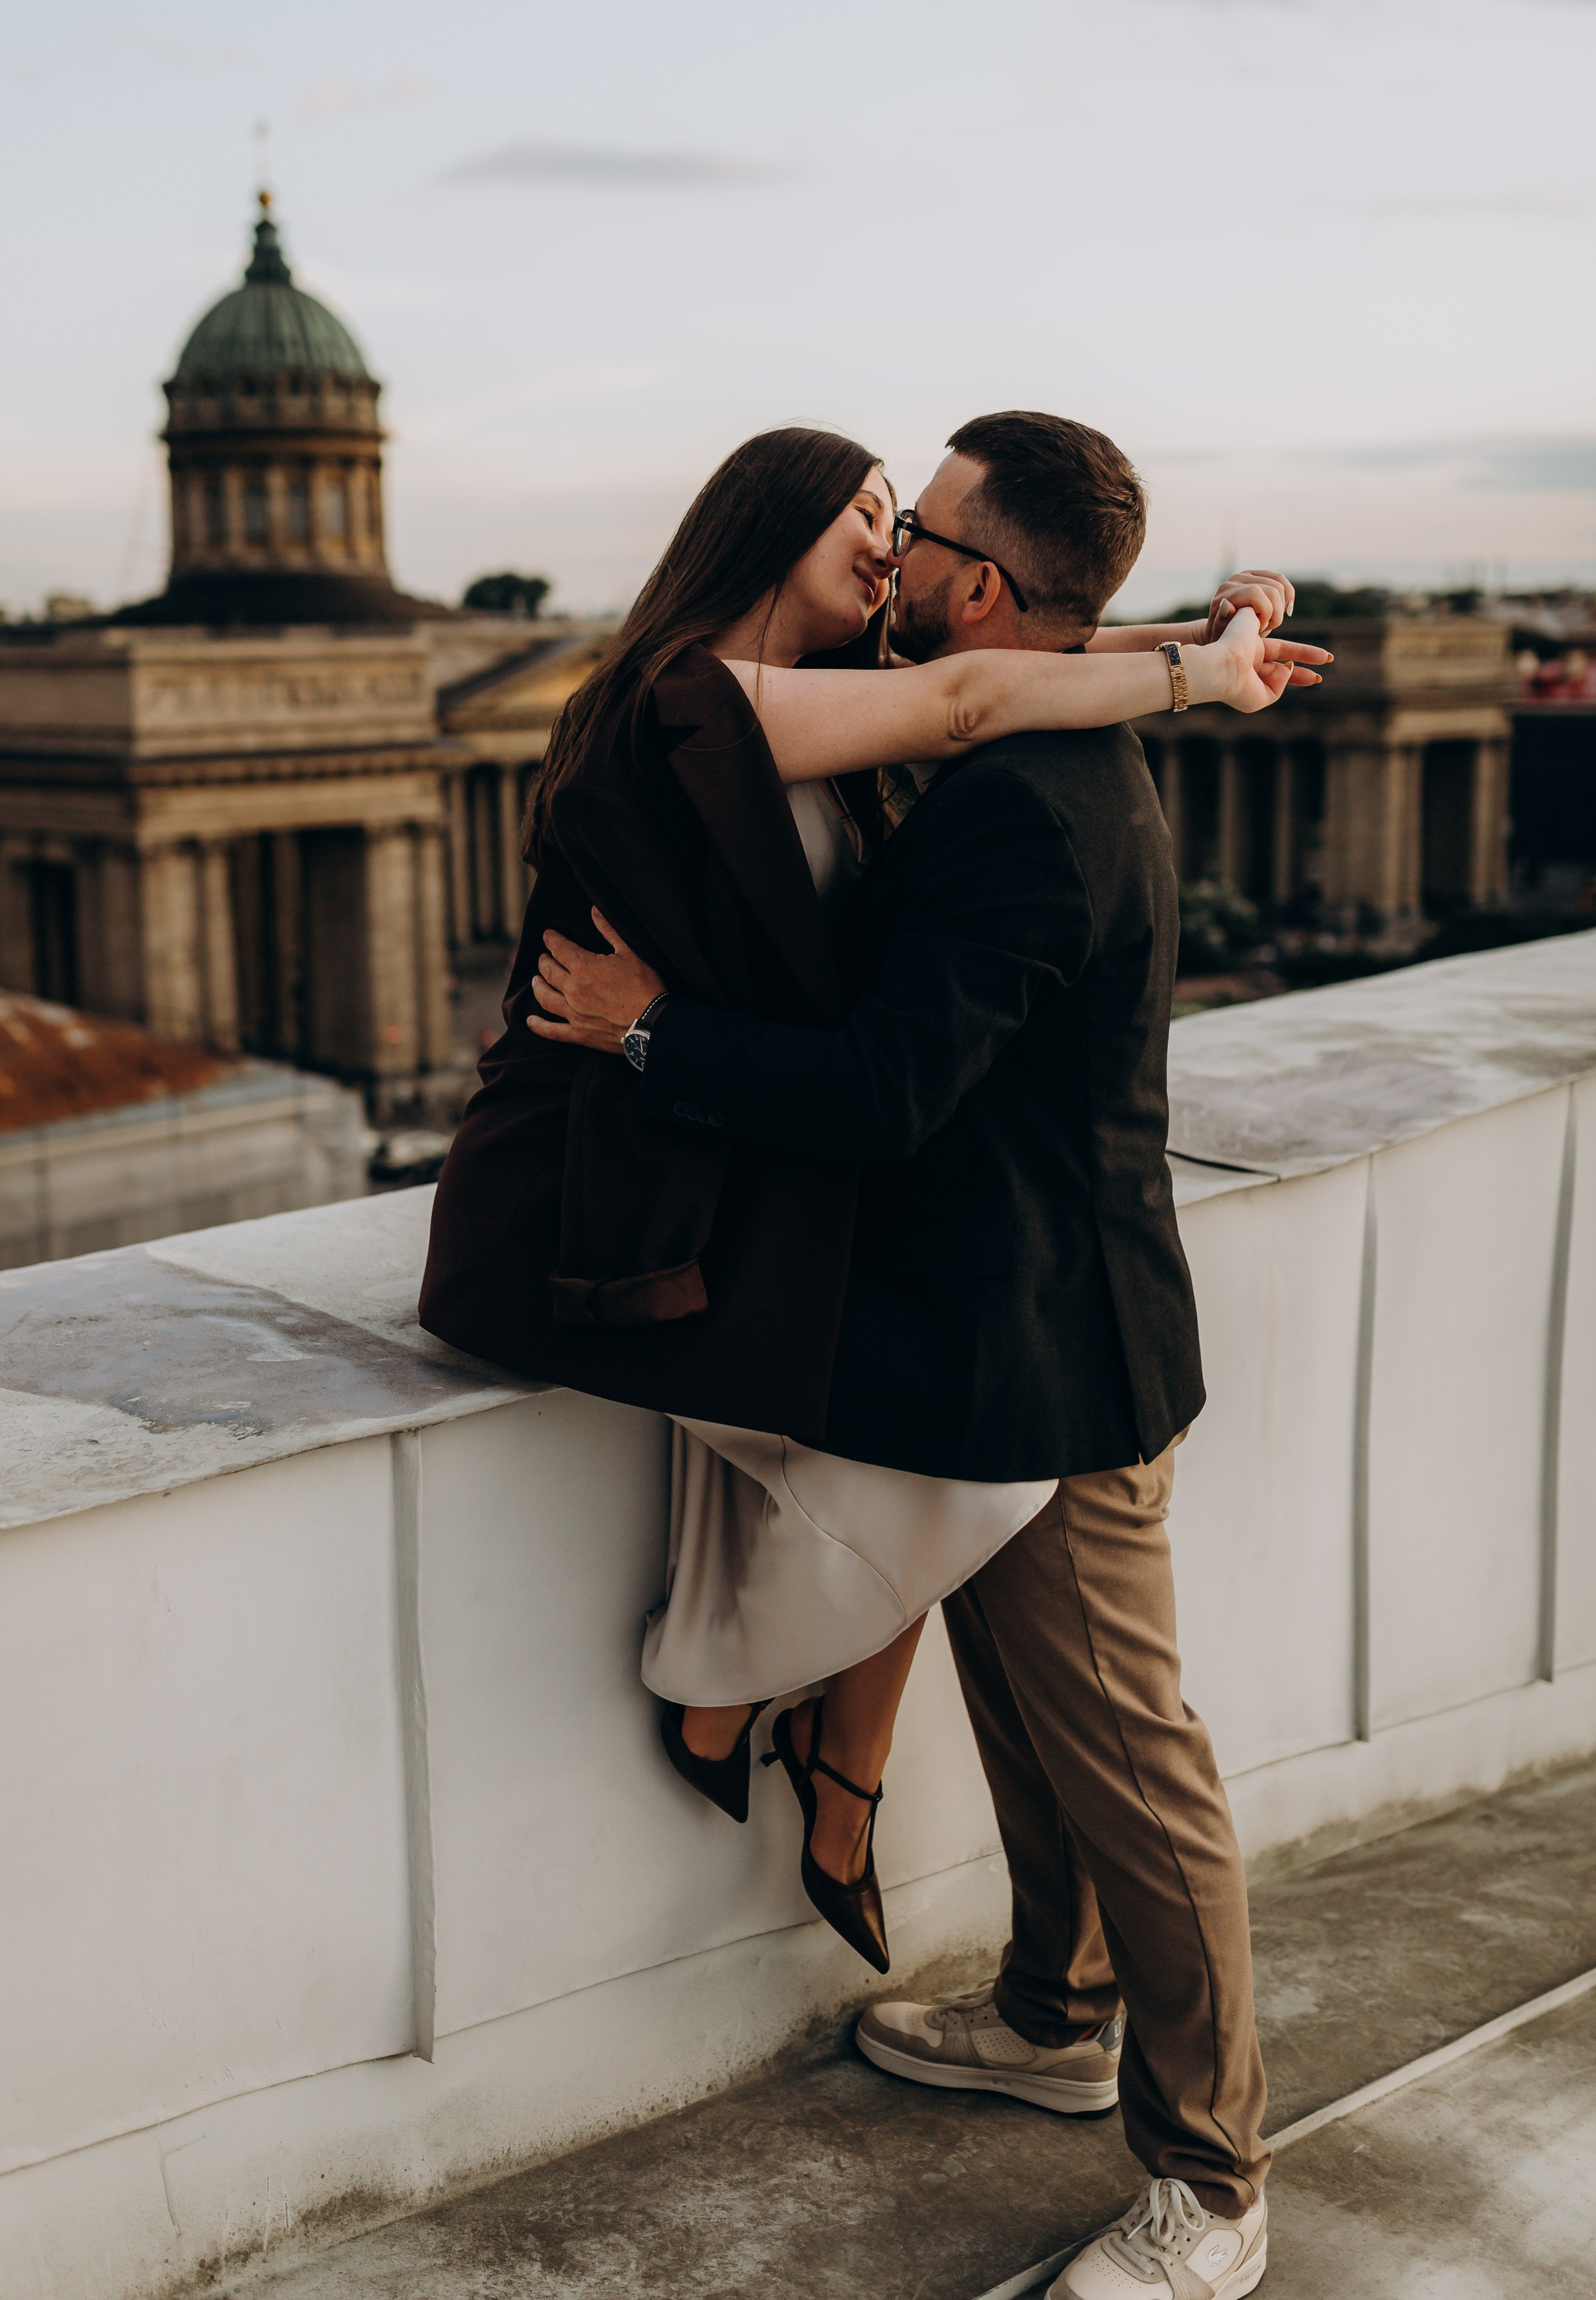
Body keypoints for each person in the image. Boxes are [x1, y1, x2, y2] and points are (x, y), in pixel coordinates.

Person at [525, 413, 1295, 2300]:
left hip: (1053, 1347)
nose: (901, 557)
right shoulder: (1048, 720)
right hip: (990, 1342)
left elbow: (878, 1094)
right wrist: (1203, 650)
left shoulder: (1034, 807)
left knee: (1135, 1765)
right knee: (1035, 1727)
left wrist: (643, 1033)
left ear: (988, 589)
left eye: (928, 531)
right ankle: (1053, 2016)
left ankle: (1216, 2180)